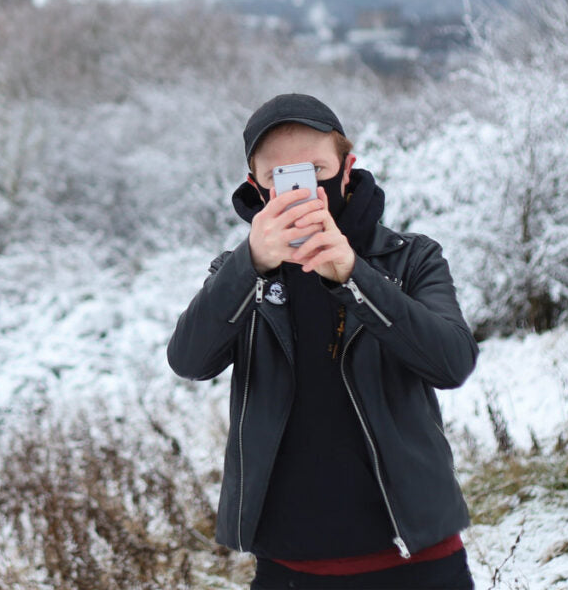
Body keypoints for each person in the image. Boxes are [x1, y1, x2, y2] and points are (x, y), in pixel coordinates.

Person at [167, 93, 478, 589]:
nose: (302, 189)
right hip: (291, 569)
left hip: (416, 558)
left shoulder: (410, 259)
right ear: (258, 187)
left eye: (315, 169)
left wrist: (355, 278)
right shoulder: (239, 274)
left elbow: (452, 362)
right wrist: (250, 265)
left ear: (346, 167)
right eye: (280, 178)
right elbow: (188, 360)